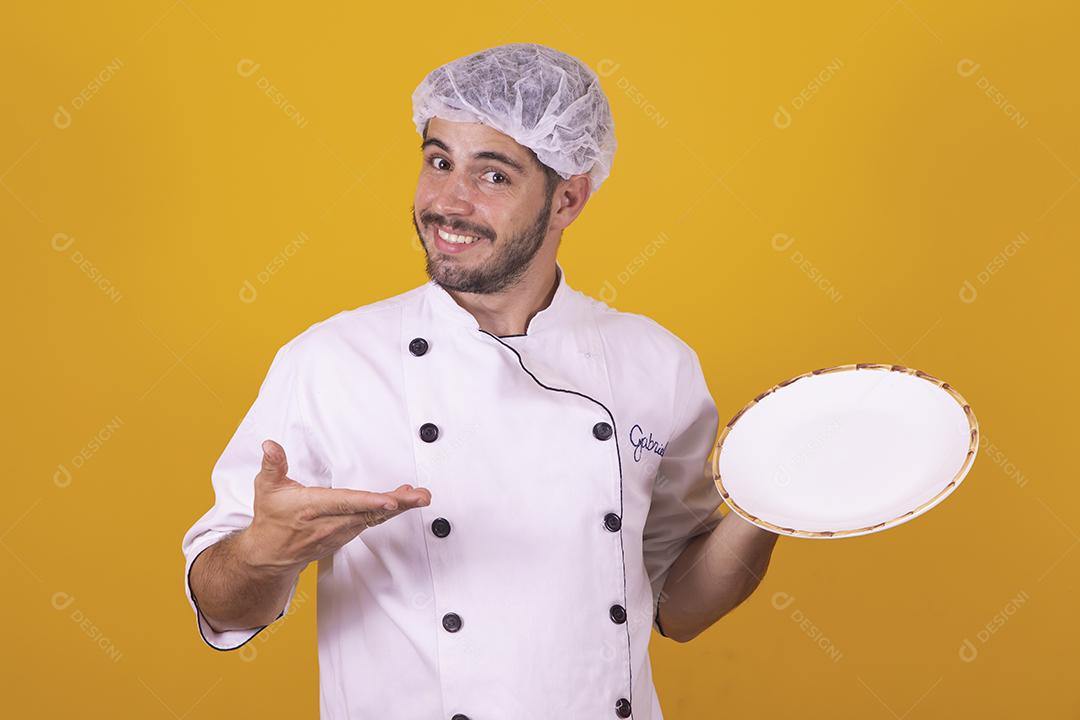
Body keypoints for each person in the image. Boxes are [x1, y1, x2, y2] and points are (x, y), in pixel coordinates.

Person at [181, 42, 778, 720]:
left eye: (492, 176)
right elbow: (218, 603)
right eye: (439, 162)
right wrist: (261, 555)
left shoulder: (656, 364)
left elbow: (681, 605)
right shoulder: (332, 362)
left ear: (568, 199)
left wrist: (773, 507)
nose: (447, 202)